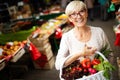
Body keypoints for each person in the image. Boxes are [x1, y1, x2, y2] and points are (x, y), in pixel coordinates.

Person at [55, 0, 113, 79]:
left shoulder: (99, 32)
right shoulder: (67, 37)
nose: (78, 16)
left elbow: (110, 54)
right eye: (73, 14)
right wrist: (80, 54)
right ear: (70, 18)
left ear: (86, 13)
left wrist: (104, 71)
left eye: (81, 11)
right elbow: (58, 65)